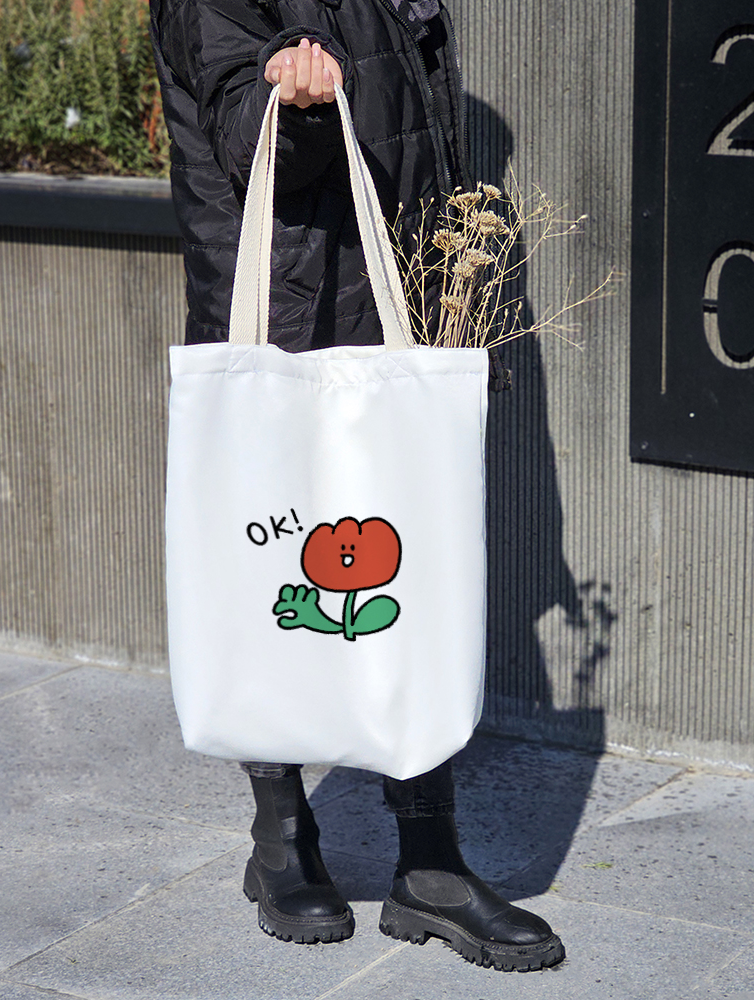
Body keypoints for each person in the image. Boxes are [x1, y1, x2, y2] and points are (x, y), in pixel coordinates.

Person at [148, 0, 563, 973]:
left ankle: (431, 861)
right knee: (276, 574)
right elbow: (243, 135)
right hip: (286, 301)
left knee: (408, 574)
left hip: (388, 299)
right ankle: (282, 837)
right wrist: (290, 106)